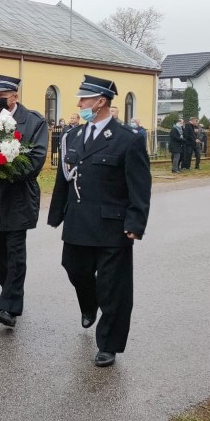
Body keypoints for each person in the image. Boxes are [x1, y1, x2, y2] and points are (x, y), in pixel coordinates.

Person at [47, 75, 151, 367]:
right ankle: (89, 303)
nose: (79, 104)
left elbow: (139, 185)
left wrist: (135, 222)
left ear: (101, 101)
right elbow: (63, 179)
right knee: (74, 269)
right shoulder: (74, 136)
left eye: (84, 99)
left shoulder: (127, 139)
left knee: (114, 288)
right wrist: (56, 214)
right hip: (78, 221)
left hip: (112, 225)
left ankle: (109, 344)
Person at [0, 75, 48, 327]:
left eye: (1, 96)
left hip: (18, 197)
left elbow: (35, 161)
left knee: (15, 252)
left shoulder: (33, 122)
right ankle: (10, 293)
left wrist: (2, 169)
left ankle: (9, 307)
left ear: (14, 95)